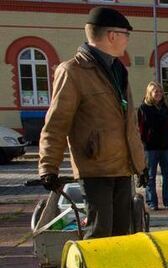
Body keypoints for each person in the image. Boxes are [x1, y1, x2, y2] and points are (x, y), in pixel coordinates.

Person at [38, 7, 146, 239]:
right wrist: (48, 167)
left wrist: (140, 164)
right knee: (99, 231)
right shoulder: (73, 71)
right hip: (95, 168)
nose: (128, 40)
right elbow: (57, 122)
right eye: (126, 34)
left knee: (121, 233)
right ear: (112, 35)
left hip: (122, 167)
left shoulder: (119, 70)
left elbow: (129, 123)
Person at [138, 81, 168, 210]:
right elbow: (140, 128)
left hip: (166, 146)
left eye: (160, 92)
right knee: (150, 176)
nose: (159, 94)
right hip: (151, 147)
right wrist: (141, 144)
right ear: (150, 93)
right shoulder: (143, 108)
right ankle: (152, 202)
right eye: (156, 92)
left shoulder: (167, 108)